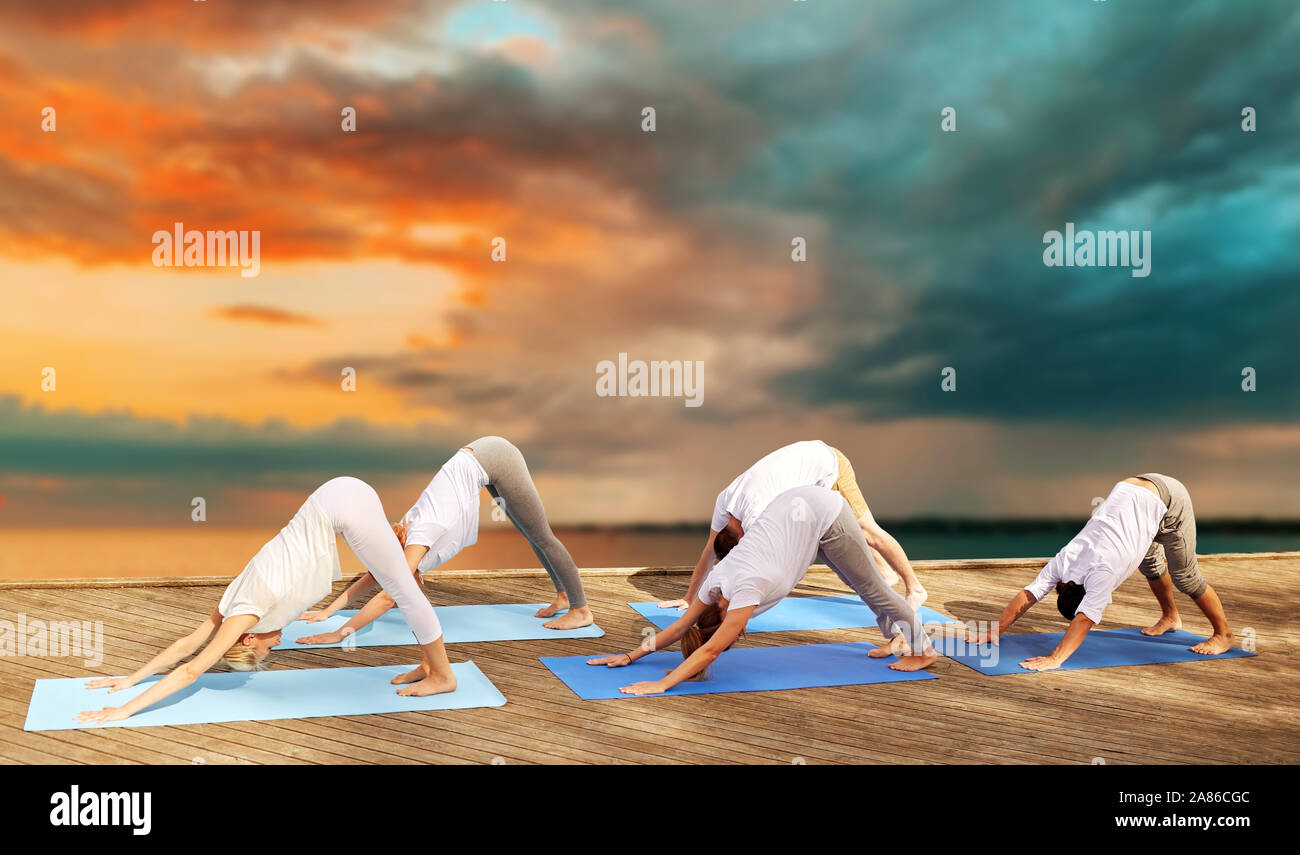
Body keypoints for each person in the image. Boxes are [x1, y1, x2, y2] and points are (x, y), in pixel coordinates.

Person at [77, 477, 456, 724]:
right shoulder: (230, 601)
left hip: (342, 507)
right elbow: (187, 643)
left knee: (402, 587)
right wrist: (130, 679)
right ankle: (429, 660)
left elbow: (192, 666)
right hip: (334, 495)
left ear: (247, 639)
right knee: (398, 575)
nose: (276, 644)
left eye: (265, 650)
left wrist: (123, 710)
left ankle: (443, 675)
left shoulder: (245, 614)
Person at [589, 485, 937, 695]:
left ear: (722, 613)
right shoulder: (716, 581)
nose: (739, 634)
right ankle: (895, 638)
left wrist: (662, 685)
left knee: (874, 590)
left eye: (734, 631)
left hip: (823, 513)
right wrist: (631, 656)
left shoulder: (745, 588)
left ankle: (923, 651)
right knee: (860, 586)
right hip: (796, 518)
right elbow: (681, 627)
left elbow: (710, 651)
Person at [296, 436, 592, 645]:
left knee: (543, 536)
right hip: (479, 460)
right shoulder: (402, 537)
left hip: (495, 457)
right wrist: (327, 612)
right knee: (532, 536)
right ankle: (563, 596)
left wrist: (341, 632)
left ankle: (580, 610)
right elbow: (377, 578)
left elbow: (390, 595)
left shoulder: (420, 534)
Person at [968, 474, 1237, 671]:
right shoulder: (1064, 561)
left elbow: (1086, 618)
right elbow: (1029, 594)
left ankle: (1224, 634)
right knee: (1151, 564)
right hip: (1131, 487)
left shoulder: (1102, 573)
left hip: (1169, 498)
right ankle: (1170, 617)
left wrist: (1056, 658)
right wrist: (996, 630)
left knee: (1185, 577)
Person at [659, 440, 927, 613]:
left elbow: (769, 563)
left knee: (869, 531)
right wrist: (690, 597)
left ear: (740, 535)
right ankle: (884, 573)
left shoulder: (756, 514)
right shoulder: (724, 504)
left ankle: (915, 588)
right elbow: (709, 552)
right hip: (805, 464)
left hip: (828, 466)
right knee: (857, 536)